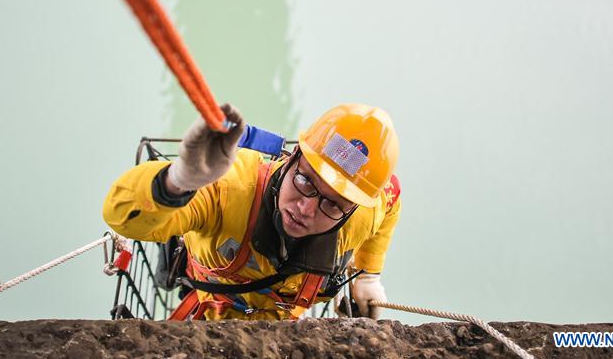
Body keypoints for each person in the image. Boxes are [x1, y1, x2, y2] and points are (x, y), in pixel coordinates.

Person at [103, 103, 401, 320]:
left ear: (352, 209)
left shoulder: (362, 215)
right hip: (210, 315)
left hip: (283, 327)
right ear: (292, 157)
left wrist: (369, 275)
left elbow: (391, 199)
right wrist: (177, 181)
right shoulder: (227, 190)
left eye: (333, 203)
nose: (306, 209)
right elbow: (120, 217)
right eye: (304, 180)